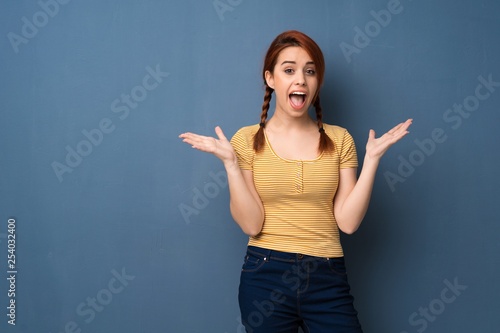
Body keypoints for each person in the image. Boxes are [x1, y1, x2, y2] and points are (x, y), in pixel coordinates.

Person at [179, 30, 412, 333]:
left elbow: (348, 223)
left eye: (310, 71)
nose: (300, 79)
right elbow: (251, 225)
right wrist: (231, 165)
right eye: (289, 70)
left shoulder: (340, 140)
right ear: (270, 78)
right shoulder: (246, 140)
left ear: (318, 82)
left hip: (328, 274)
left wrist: (372, 161)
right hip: (265, 275)